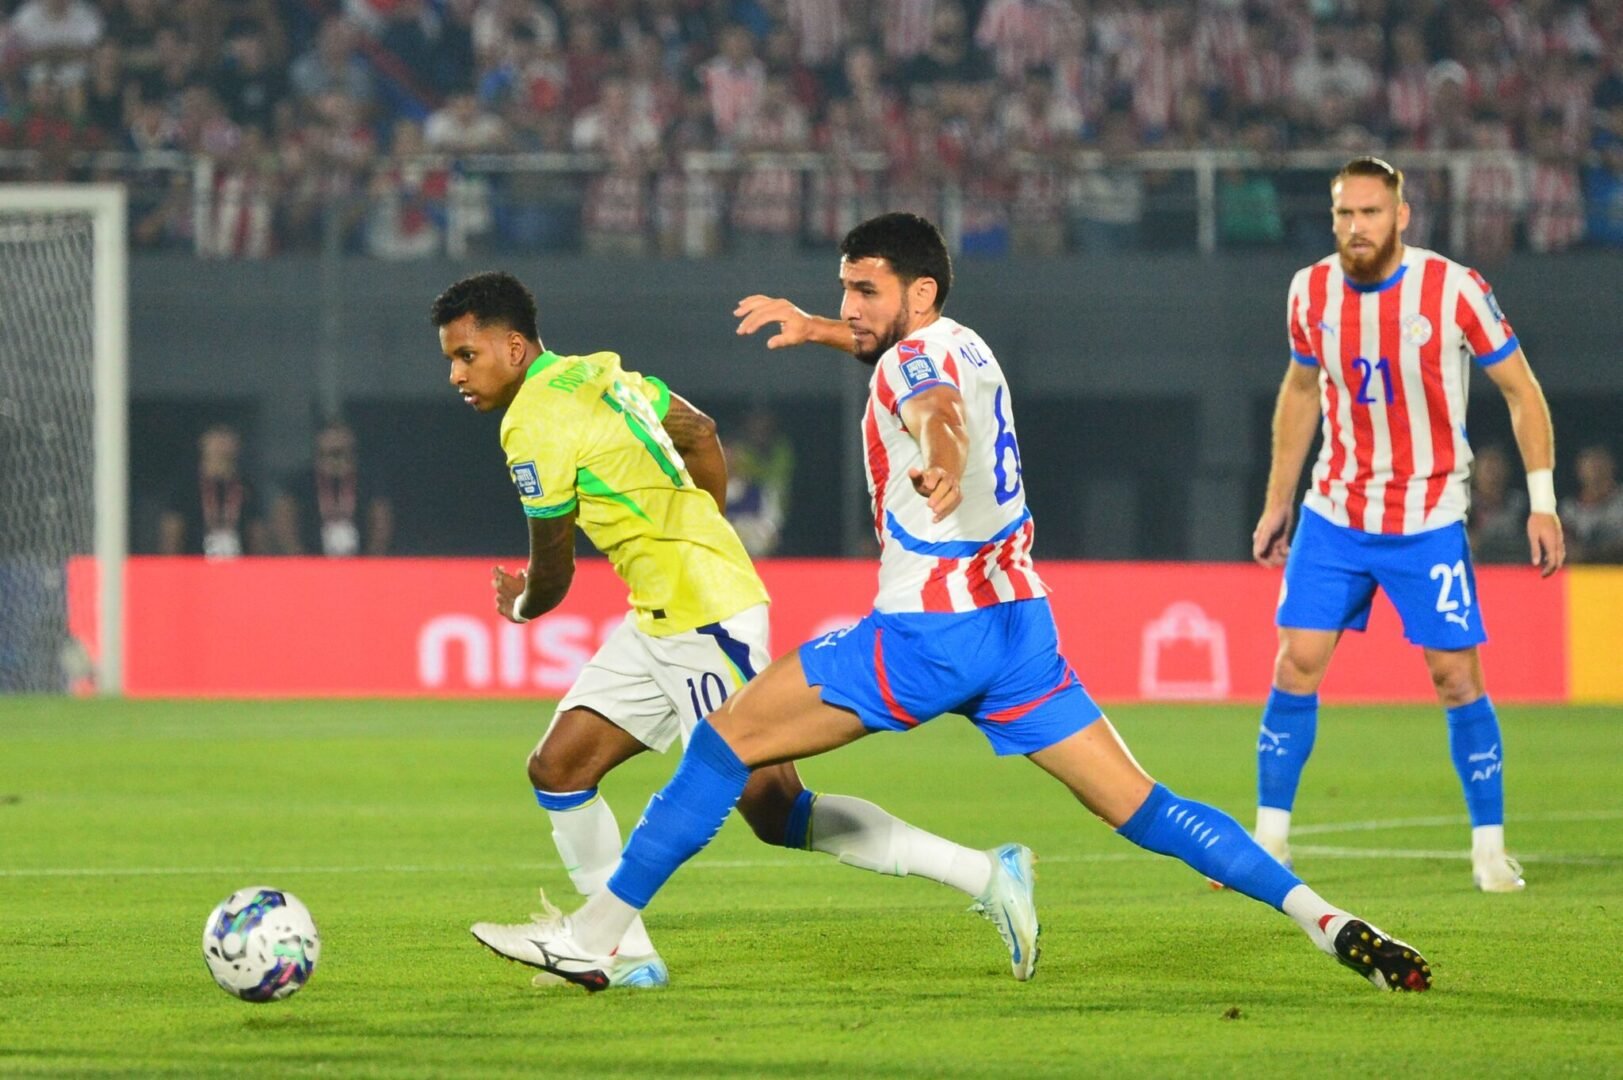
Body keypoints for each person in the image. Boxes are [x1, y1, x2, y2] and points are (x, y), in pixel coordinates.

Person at [495, 213, 1432, 995]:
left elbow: (927, 401)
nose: (849, 306)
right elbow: (921, 372)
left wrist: (937, 455)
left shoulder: (918, 369)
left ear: (922, 294)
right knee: (1142, 806)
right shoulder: (966, 344)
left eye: (865, 292)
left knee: (722, 743)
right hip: (1021, 631)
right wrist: (822, 329)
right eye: (844, 290)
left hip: (929, 631)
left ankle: (599, 934)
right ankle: (1323, 918)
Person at [431, 271, 1038, 990]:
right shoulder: (594, 373)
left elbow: (553, 571)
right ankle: (623, 956)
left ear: (511, 345)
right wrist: (700, 526)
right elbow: (699, 431)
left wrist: (523, 604)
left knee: (774, 809)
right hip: (665, 609)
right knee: (559, 769)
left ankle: (983, 872)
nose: (455, 375)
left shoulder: (531, 420)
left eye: (466, 356)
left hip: (703, 613)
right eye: (449, 359)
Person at [1247, 157, 1564, 896]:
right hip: (1336, 511)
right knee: (1295, 662)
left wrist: (1542, 500)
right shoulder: (1309, 290)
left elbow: (1521, 392)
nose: (1356, 228)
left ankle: (1488, 849)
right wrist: (1276, 499)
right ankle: (1269, 841)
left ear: (1401, 216)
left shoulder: (1453, 290)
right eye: (1344, 215)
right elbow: (1299, 392)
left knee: (1454, 677)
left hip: (1426, 516)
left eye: (1370, 213)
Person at [270, 420, 393, 557]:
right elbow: (283, 518)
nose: (335, 460)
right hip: (312, 561)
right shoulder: (301, 482)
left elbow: (381, 519)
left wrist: (373, 560)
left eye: (339, 453)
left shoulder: (367, 480)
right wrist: (298, 558)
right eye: (328, 453)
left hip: (360, 563)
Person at [157, 422, 267, 558]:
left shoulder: (246, 488)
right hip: (193, 570)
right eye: (216, 435)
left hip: (238, 571)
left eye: (227, 436)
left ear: (238, 444)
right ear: (203, 441)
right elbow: (172, 533)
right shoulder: (185, 487)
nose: (221, 442)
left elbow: (256, 535)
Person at [1466, 445, 1530, 564]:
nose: (1492, 475)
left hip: (1515, 570)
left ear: (1508, 469)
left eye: (1496, 466)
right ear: (1474, 471)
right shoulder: (1465, 504)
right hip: (1477, 570)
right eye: (1487, 468)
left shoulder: (1521, 504)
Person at [1560, 445, 1623, 563]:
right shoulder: (1569, 509)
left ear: (1612, 465)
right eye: (1589, 462)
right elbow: (1567, 548)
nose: (1596, 467)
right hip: (1582, 575)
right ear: (1579, 469)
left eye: (1600, 460)